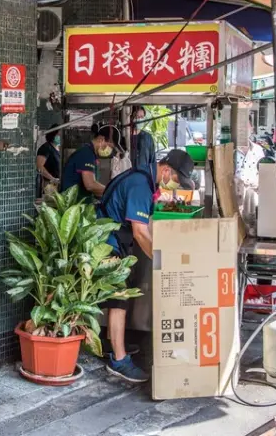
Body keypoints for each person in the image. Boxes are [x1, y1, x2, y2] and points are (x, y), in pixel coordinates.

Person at [99, 149, 195, 382]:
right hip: (104, 243)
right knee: (118, 297)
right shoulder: (140, 185)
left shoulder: (146, 179)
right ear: (165, 171)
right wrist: (162, 262)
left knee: (120, 296)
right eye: (176, 181)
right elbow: (140, 233)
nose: (175, 186)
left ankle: (114, 342)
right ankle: (119, 360)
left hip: (114, 239)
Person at [60, 124, 119, 202]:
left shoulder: (91, 154)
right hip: (74, 206)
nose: (110, 150)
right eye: (110, 146)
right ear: (101, 139)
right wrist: (113, 192)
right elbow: (90, 185)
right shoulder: (86, 154)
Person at [130, 106, 156, 178]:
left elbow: (152, 162)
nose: (139, 119)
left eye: (142, 117)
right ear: (130, 118)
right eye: (136, 116)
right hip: (127, 178)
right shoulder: (124, 137)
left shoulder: (148, 138)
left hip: (143, 178)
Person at [36, 125, 61, 192]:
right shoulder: (46, 148)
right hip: (49, 184)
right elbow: (39, 167)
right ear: (53, 135)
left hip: (57, 184)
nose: (60, 137)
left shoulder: (58, 149)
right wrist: (52, 179)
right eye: (59, 135)